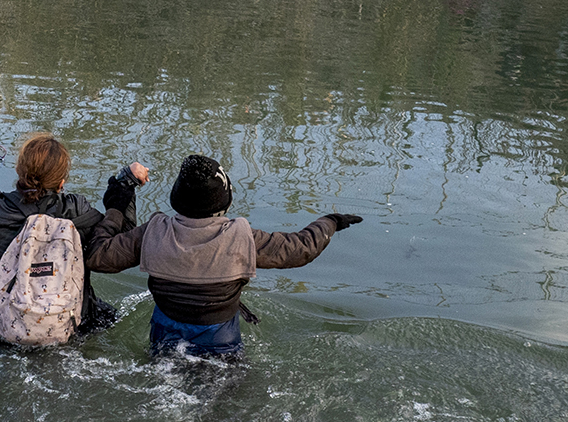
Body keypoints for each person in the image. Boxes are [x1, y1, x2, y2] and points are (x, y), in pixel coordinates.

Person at [87, 154, 362, 359]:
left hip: (165, 335)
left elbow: (99, 256)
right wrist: (331, 222)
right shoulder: (242, 237)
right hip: (220, 341)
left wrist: (118, 201)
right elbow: (300, 249)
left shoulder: (153, 233)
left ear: (176, 198)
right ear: (225, 200)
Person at [0, 132, 149, 341]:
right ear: (62, 182)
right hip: (70, 327)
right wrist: (125, 184)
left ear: (20, 172)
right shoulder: (78, 213)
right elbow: (122, 242)